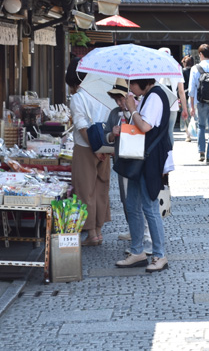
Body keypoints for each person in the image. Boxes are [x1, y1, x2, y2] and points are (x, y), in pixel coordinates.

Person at [111, 77, 171, 273]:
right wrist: (132, 110)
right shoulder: (147, 96)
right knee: (132, 203)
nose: (131, 89)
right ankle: (137, 251)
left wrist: (133, 109)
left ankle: (159, 255)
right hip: (141, 157)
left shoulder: (155, 96)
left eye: (133, 85)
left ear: (143, 82)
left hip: (150, 158)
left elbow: (145, 126)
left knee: (149, 205)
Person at [66, 66, 112, 246]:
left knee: (85, 191)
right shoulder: (104, 93)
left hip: (86, 147)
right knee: (101, 188)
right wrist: (102, 148)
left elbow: (82, 126)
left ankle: (92, 234)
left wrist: (95, 148)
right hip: (105, 146)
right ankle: (98, 231)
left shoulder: (78, 97)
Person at [105, 78, 152, 251]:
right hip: (121, 161)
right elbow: (106, 136)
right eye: (116, 100)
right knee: (127, 200)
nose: (119, 103)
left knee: (141, 199)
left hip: (139, 161)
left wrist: (132, 114)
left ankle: (146, 237)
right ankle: (135, 231)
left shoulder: (139, 109)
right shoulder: (114, 114)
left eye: (121, 98)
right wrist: (112, 134)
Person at [189, 44, 209, 164]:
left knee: (201, 127)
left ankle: (201, 152)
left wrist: (192, 106)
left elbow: (191, 90)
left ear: (201, 54)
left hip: (201, 103)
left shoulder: (195, 68)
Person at [180, 55, 195, 141]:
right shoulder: (195, 70)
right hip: (194, 95)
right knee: (194, 113)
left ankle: (188, 134)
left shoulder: (183, 71)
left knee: (186, 114)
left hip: (185, 94)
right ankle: (195, 132)